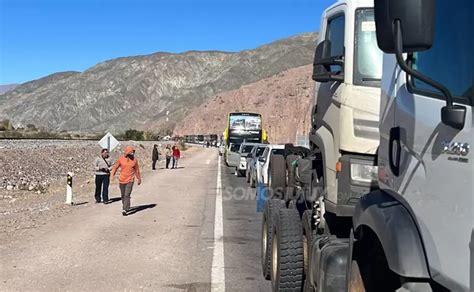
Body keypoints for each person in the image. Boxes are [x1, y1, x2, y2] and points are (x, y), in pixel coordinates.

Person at [111, 146, 142, 216]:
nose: (133, 153)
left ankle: (124, 209)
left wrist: (139, 178)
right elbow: (115, 167)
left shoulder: (134, 160)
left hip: (130, 180)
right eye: (131, 152)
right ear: (127, 152)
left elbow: (137, 170)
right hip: (122, 179)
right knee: (123, 195)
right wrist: (112, 175)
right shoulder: (121, 159)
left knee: (127, 195)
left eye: (133, 152)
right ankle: (126, 205)